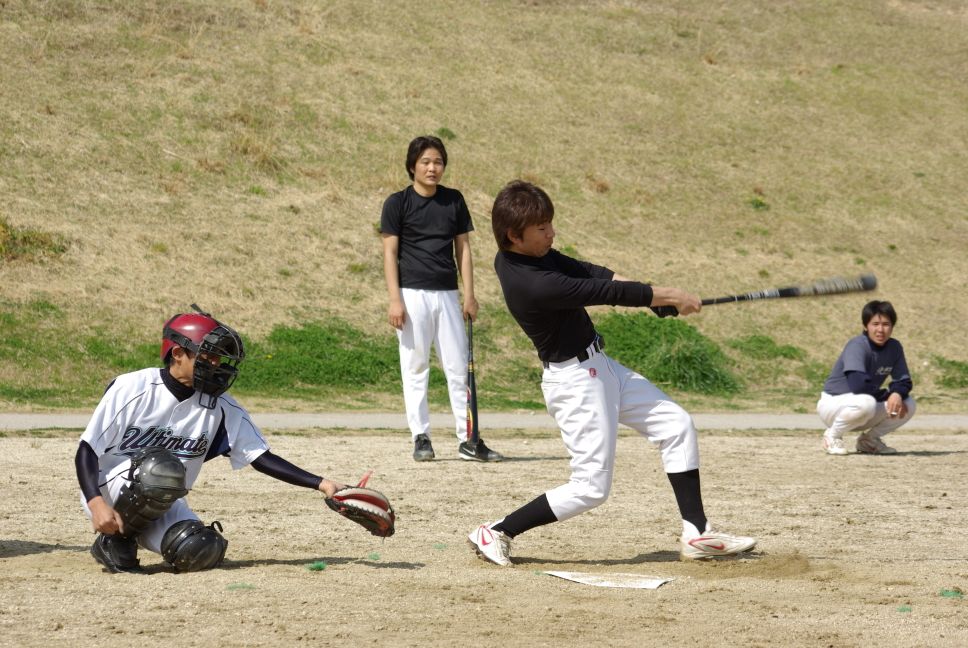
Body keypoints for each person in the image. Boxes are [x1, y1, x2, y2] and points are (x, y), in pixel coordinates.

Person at [467, 180, 756, 566]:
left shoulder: (530, 256)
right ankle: (498, 530)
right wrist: (666, 295)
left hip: (600, 368)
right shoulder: (532, 283)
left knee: (676, 426)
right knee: (590, 488)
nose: (552, 233)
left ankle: (697, 533)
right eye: (542, 228)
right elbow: (603, 292)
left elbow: (590, 272)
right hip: (575, 384)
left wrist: (651, 298)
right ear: (513, 236)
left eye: (550, 223)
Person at [75, 306, 351, 573]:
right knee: (161, 470)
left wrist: (323, 484)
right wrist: (96, 503)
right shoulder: (133, 387)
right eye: (208, 356)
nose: (216, 365)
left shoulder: (222, 406)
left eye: (219, 358)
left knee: (199, 549)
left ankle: (128, 536)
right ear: (178, 353)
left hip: (163, 497)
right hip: (107, 489)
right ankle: (116, 541)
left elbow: (260, 457)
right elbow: (87, 449)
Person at [380, 135, 503, 463]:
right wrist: (394, 299)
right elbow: (389, 253)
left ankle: (469, 439)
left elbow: (463, 249)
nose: (432, 168)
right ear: (412, 166)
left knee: (459, 367)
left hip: (448, 294)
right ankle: (421, 437)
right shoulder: (397, 203)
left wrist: (470, 295)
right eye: (425, 162)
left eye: (437, 162)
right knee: (416, 366)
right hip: (412, 295)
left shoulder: (453, 200)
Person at [817, 300, 915, 455]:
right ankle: (832, 436)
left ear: (892, 326)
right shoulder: (857, 345)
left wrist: (897, 394)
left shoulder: (894, 347)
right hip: (834, 405)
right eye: (875, 324)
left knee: (908, 403)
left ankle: (869, 441)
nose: (880, 329)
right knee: (866, 402)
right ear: (865, 326)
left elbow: (904, 381)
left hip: (863, 408)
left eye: (886, 324)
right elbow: (859, 385)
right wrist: (889, 395)